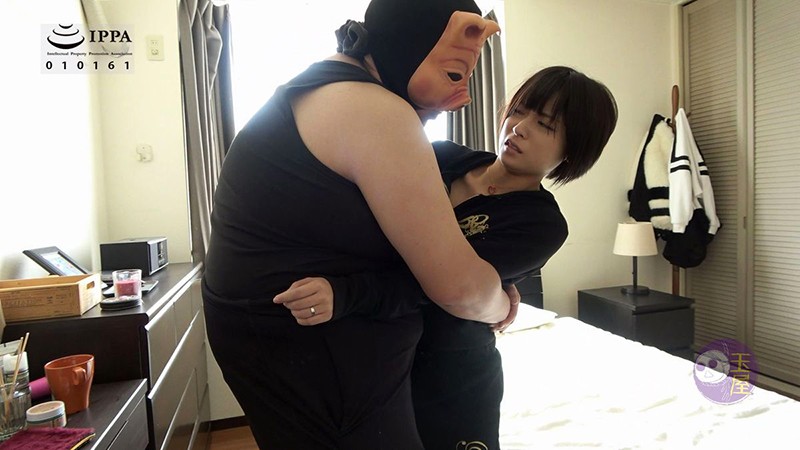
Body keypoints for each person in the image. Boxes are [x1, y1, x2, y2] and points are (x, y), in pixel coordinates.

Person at [202, 0, 517, 448]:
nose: (461, 97)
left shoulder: (319, 86)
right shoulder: (375, 110)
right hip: (317, 351)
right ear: (411, 45)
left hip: (280, 338)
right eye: (454, 75)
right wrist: (501, 305)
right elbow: (459, 288)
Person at [275, 66, 619, 449]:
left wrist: (346, 294)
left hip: (450, 372)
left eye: (544, 125)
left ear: (572, 152)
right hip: (375, 350)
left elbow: (439, 285)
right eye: (519, 111)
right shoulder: (438, 156)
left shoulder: (541, 224)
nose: (519, 127)